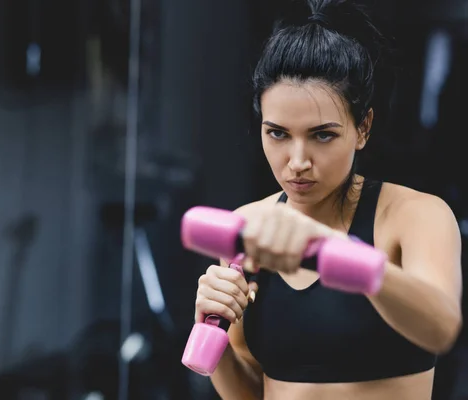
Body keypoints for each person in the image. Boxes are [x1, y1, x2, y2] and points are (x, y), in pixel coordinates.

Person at [193, 0, 463, 399]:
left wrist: (339, 255)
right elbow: (252, 393)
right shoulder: (250, 227)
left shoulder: (413, 216)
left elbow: (441, 327)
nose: (297, 162)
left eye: (322, 135)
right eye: (278, 134)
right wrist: (208, 327)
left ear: (363, 128)